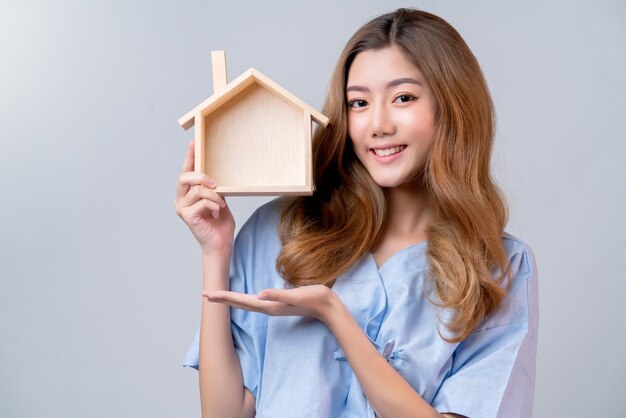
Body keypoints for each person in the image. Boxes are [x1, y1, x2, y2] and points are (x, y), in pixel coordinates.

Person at [175, 8, 538, 418]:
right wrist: (216, 252)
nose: (378, 125)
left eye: (403, 97)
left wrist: (334, 314)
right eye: (359, 103)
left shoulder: (498, 268)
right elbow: (225, 414)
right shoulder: (280, 233)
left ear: (451, 107)